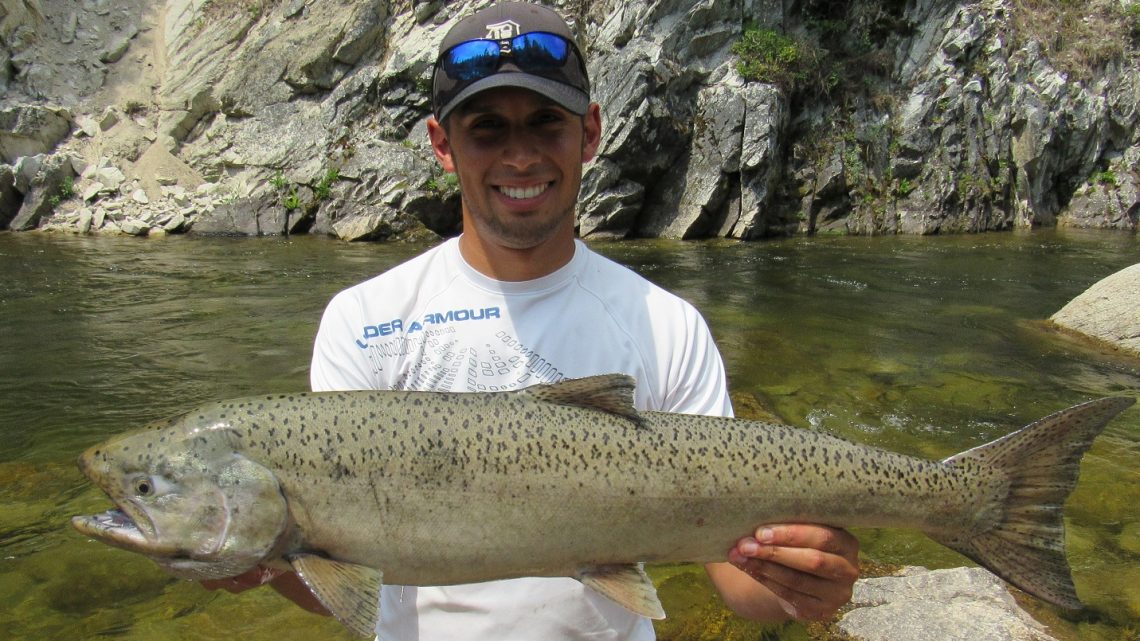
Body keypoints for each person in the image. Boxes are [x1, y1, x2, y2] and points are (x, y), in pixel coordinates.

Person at [206, 2, 860, 638]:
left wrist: (798, 584)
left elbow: (735, 573)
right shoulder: (364, 320)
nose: (520, 156)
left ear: (591, 132)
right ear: (442, 143)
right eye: (487, 128)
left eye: (546, 122)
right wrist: (252, 556)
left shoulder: (667, 324)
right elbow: (342, 580)